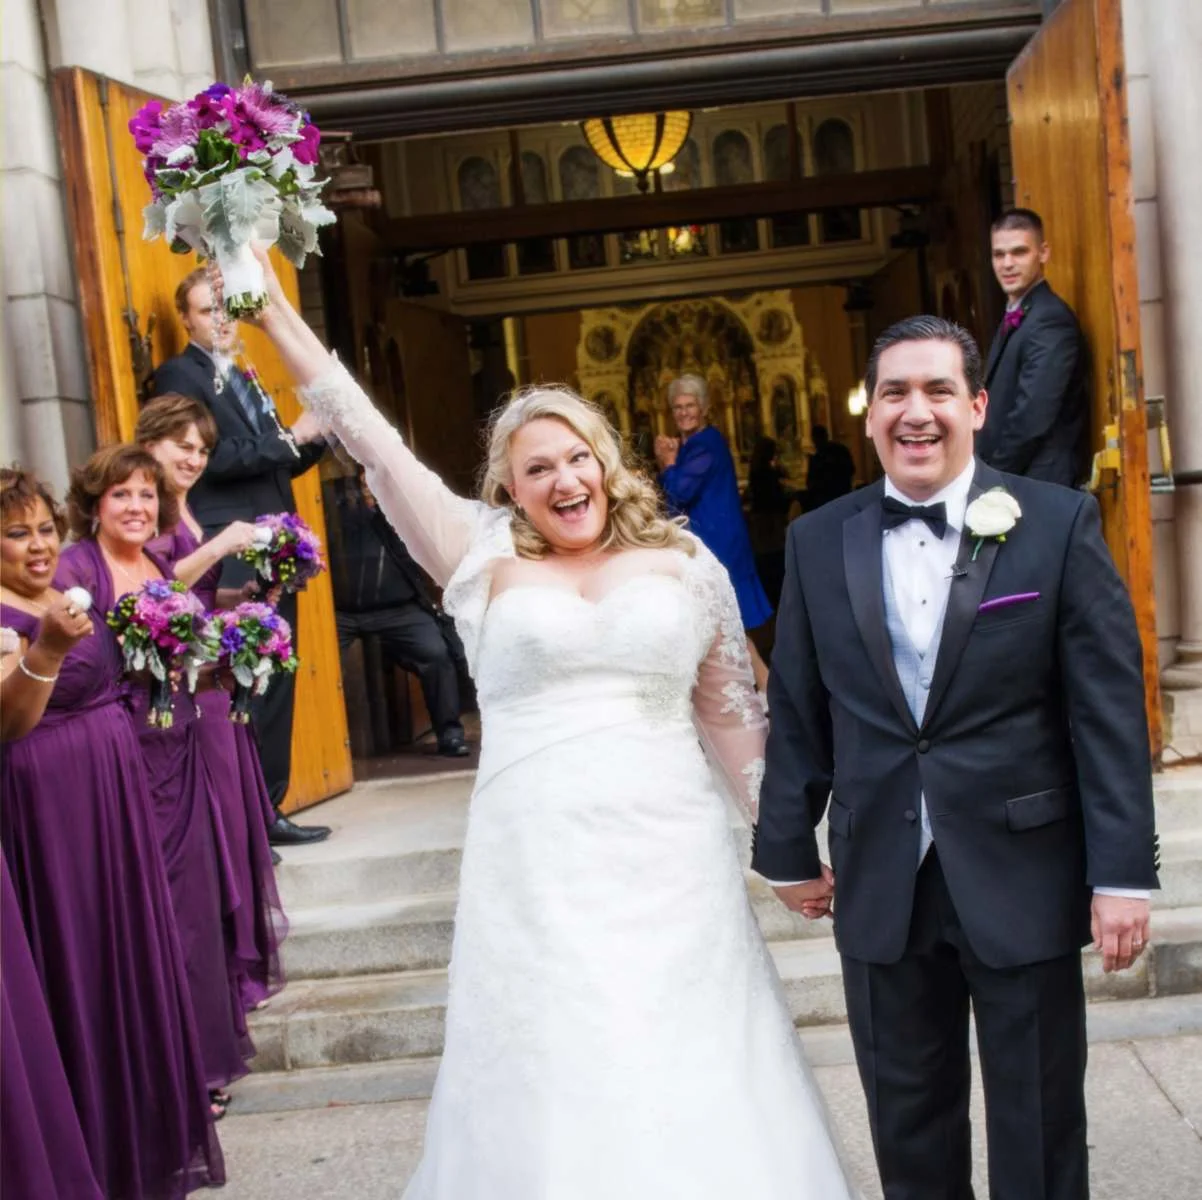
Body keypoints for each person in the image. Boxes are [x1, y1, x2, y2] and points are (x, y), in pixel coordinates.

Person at [247, 245, 855, 1198]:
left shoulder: (684, 562)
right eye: (539, 468)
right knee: (555, 1060)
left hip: (671, 854)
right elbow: (369, 436)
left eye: (579, 458)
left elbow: (734, 720)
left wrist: (785, 852)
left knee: (684, 1048)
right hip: (535, 860)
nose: (565, 480)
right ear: (510, 486)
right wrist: (274, 310)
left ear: (607, 465)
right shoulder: (475, 551)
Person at [754, 315, 1158, 1199]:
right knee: (908, 1127)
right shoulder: (819, 539)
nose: (916, 411)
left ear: (976, 405)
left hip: (1024, 867)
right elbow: (800, 705)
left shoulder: (1056, 522)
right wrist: (784, 846)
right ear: (869, 413)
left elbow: (1106, 713)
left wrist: (1122, 872)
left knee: (1040, 1123)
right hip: (880, 872)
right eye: (894, 392)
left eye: (938, 390)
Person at [0, 466, 224, 1197]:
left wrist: (203, 658)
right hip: (49, 808)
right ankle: (92, 1144)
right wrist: (46, 652)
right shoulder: (8, 616)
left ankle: (140, 1138)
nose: (40, 546)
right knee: (80, 964)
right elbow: (9, 721)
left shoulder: (61, 594)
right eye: (17, 534)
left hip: (113, 797)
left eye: (44, 529)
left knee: (124, 954)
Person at [64, 445, 252, 1116]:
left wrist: (235, 653)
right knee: (143, 917)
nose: (137, 507)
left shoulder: (160, 567)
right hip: (117, 761)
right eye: (121, 494)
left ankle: (199, 1064)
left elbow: (181, 664)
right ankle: (155, 1078)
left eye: (147, 494)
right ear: (94, 504)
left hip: (177, 750)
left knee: (191, 912)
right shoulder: (75, 570)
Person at [151, 266, 330, 846]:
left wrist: (320, 434)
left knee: (272, 679)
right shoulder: (179, 374)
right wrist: (290, 437)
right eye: (208, 311)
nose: (222, 321)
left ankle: (268, 808)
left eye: (228, 310)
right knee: (241, 684)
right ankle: (249, 817)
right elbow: (215, 458)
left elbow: (274, 461)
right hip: (228, 551)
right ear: (187, 320)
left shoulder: (244, 375)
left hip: (272, 550)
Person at [138, 393, 290, 1015]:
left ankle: (233, 973)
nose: (195, 459)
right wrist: (224, 543)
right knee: (203, 840)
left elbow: (196, 601)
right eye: (183, 446)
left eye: (202, 449)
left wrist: (245, 600)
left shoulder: (186, 508)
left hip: (213, 691)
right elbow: (147, 592)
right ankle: (207, 984)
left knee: (231, 827)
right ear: (149, 442)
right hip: (177, 696)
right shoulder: (143, 509)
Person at [329, 468, 470, 757]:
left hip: (398, 608)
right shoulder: (331, 507)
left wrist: (382, 505)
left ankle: (450, 735)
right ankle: (323, 751)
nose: (366, 489)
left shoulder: (396, 505)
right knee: (313, 665)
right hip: (339, 613)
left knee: (435, 654)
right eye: (361, 484)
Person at [654, 373, 774, 689]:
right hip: (710, 540)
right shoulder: (693, 444)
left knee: (727, 620)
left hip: (718, 543)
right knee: (723, 623)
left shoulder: (706, 444)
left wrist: (668, 463)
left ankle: (763, 685)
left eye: (690, 405)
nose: (683, 413)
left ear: (705, 408)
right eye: (678, 407)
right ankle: (758, 686)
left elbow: (678, 492)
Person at [976, 208, 1089, 487]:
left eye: (1019, 252)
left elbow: (1031, 418)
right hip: (1020, 480)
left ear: (1043, 253)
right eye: (999, 254)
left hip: (1040, 483)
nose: (1007, 264)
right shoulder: (1022, 313)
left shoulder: (1050, 320)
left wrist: (991, 477)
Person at [803, 423, 855, 511]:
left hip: (826, 501)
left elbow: (810, 483)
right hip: (843, 496)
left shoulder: (817, 458)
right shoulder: (841, 450)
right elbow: (852, 469)